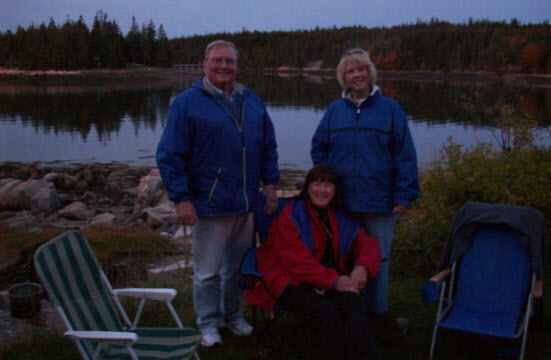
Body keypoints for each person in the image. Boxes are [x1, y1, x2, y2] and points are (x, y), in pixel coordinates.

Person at [156, 40, 280, 347]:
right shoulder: (185, 103)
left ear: (237, 66)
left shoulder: (251, 100)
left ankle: (232, 316)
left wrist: (270, 183)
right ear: (204, 64)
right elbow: (170, 155)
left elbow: (268, 146)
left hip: (246, 204)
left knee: (237, 270)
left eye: (229, 61)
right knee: (207, 273)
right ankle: (207, 324)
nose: (223, 67)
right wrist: (181, 199)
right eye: (217, 61)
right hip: (210, 205)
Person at [311, 49, 420, 314]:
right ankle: (346, 311)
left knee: (377, 260)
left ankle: (376, 312)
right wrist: (325, 187)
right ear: (343, 77)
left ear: (369, 73)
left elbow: (405, 155)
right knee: (342, 257)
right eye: (351, 71)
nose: (357, 75)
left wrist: (403, 195)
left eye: (361, 69)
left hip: (379, 203)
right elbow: (319, 149)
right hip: (342, 203)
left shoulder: (390, 109)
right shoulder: (335, 111)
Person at [246, 164, 383, 360]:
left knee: (352, 302)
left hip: (327, 279)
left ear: (335, 190)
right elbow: (295, 262)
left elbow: (368, 244)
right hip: (287, 279)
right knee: (326, 312)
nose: (321, 190)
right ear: (308, 187)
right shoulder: (292, 215)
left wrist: (362, 267)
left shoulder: (341, 217)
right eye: (316, 184)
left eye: (328, 185)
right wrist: (335, 281)